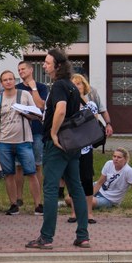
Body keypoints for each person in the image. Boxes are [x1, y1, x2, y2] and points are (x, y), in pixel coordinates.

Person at [25, 48, 90, 250]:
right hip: (72, 143)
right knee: (76, 187)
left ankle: (46, 237)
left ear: (58, 66)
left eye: (47, 62)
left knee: (51, 189)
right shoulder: (71, 86)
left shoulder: (60, 86)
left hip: (57, 144)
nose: (44, 65)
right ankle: (83, 235)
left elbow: (60, 109)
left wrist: (52, 133)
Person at [0, 70, 41, 216]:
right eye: (5, 80)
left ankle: (38, 205)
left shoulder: (24, 95)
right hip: (5, 142)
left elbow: (36, 114)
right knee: (9, 174)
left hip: (24, 141)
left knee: (31, 172)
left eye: (11, 79)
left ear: (15, 80)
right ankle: (14, 204)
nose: (8, 82)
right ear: (1, 83)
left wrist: (24, 112)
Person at [66, 73, 101, 223]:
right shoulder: (67, 104)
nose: (77, 86)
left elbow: (94, 124)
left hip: (86, 147)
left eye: (79, 84)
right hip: (72, 147)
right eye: (74, 84)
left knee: (87, 179)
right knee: (73, 178)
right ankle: (74, 212)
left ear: (84, 86)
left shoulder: (91, 105)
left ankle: (88, 213)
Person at [16, 61, 49, 184]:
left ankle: (38, 195)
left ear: (31, 70)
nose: (21, 71)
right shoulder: (17, 88)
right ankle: (19, 197)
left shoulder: (41, 87)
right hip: (20, 131)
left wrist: (33, 88)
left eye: (23, 69)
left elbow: (40, 105)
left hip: (37, 130)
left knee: (37, 165)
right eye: (19, 70)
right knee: (18, 166)